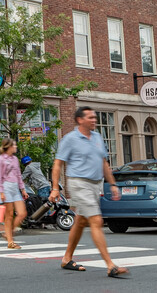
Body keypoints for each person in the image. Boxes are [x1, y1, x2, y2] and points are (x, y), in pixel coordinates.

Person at [50, 106, 128, 278]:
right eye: (90, 117)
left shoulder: (97, 137)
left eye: (95, 117)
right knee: (96, 220)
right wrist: (55, 187)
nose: (94, 120)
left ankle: (67, 258)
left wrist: (113, 184)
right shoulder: (70, 139)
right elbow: (58, 164)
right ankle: (110, 265)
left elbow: (103, 163)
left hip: (95, 184)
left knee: (80, 221)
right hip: (79, 183)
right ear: (80, 120)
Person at [0, 138, 28, 248]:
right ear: (8, 147)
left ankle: (8, 233)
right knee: (9, 216)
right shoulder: (0, 159)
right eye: (14, 145)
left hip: (15, 188)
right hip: (6, 187)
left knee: (22, 213)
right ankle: (10, 241)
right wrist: (1, 192)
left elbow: (18, 175)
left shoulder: (15, 159)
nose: (16, 147)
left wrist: (22, 189)